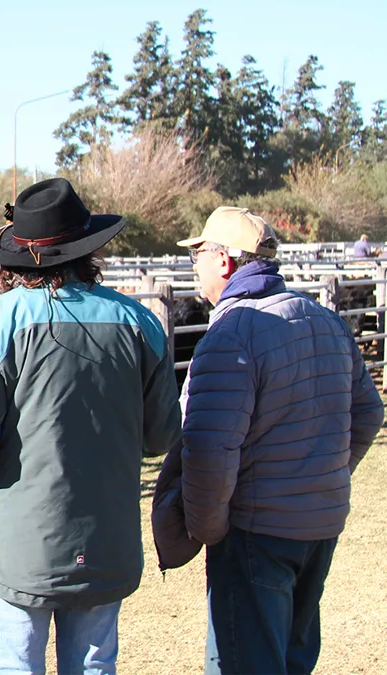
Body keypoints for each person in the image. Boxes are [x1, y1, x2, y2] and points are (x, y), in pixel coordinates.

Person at [0, 177, 182, 674]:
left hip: (14, 549)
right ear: (85, 248)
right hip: (107, 543)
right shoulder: (142, 323)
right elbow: (160, 437)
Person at [163, 206, 383, 674]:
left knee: (247, 661)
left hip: (256, 530)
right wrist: (326, 477)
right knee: (292, 656)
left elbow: (208, 449)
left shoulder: (231, 334)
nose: (194, 265)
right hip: (318, 525)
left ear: (224, 261)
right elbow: (368, 412)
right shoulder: (324, 319)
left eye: (198, 254)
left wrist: (206, 528)